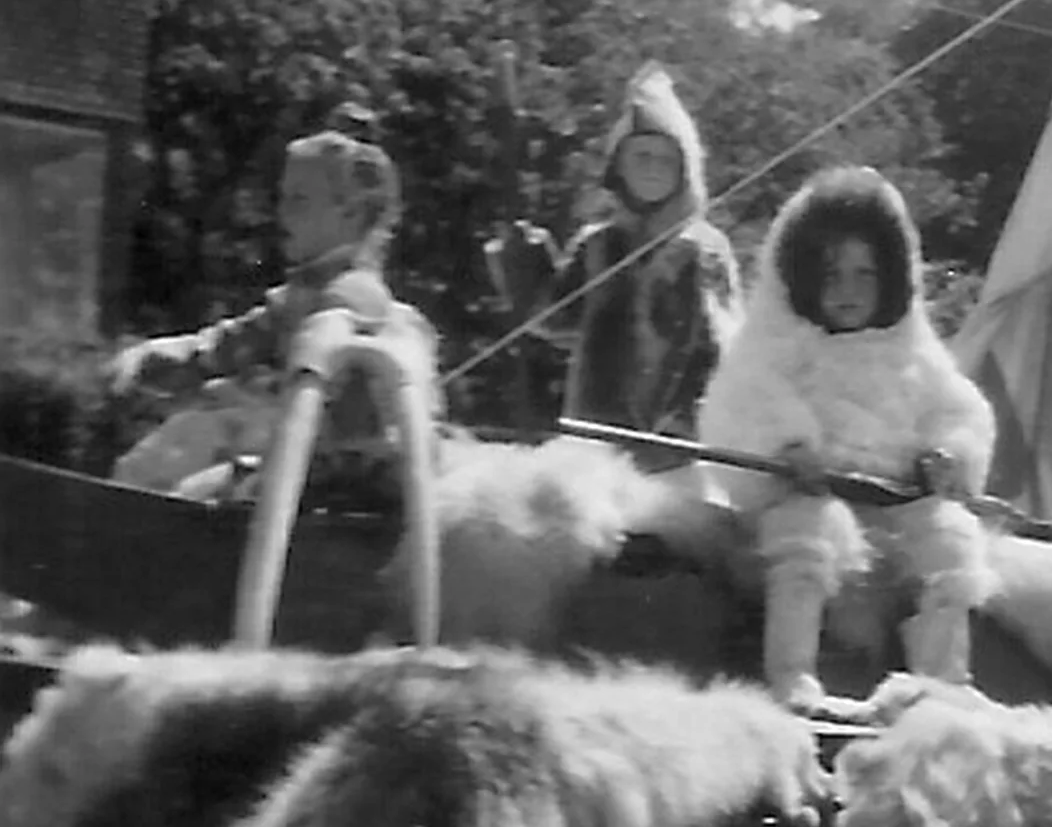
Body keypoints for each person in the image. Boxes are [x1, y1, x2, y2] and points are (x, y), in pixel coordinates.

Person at [697, 165, 997, 711]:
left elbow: (957, 408)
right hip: (811, 494)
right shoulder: (776, 342)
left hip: (895, 502)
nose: (848, 291)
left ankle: (946, 681)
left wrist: (948, 455)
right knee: (807, 535)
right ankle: (793, 676)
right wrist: (785, 449)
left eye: (865, 275)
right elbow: (740, 402)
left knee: (951, 537)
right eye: (832, 275)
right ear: (802, 277)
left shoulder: (911, 347)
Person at [112, 109, 440, 501]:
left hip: (335, 482)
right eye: (282, 198)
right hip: (308, 465)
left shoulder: (352, 300)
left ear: (350, 211)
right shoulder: (304, 295)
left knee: (181, 475)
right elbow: (232, 343)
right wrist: (161, 355)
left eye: (298, 201)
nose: (282, 213)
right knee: (179, 448)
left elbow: (346, 426)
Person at [484, 61, 741, 444]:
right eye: (642, 157)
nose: (653, 169)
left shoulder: (703, 249)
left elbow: (726, 345)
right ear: (618, 166)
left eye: (666, 159)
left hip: (677, 446)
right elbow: (553, 319)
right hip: (594, 439)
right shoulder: (598, 245)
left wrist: (689, 419)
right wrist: (525, 261)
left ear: (685, 169)